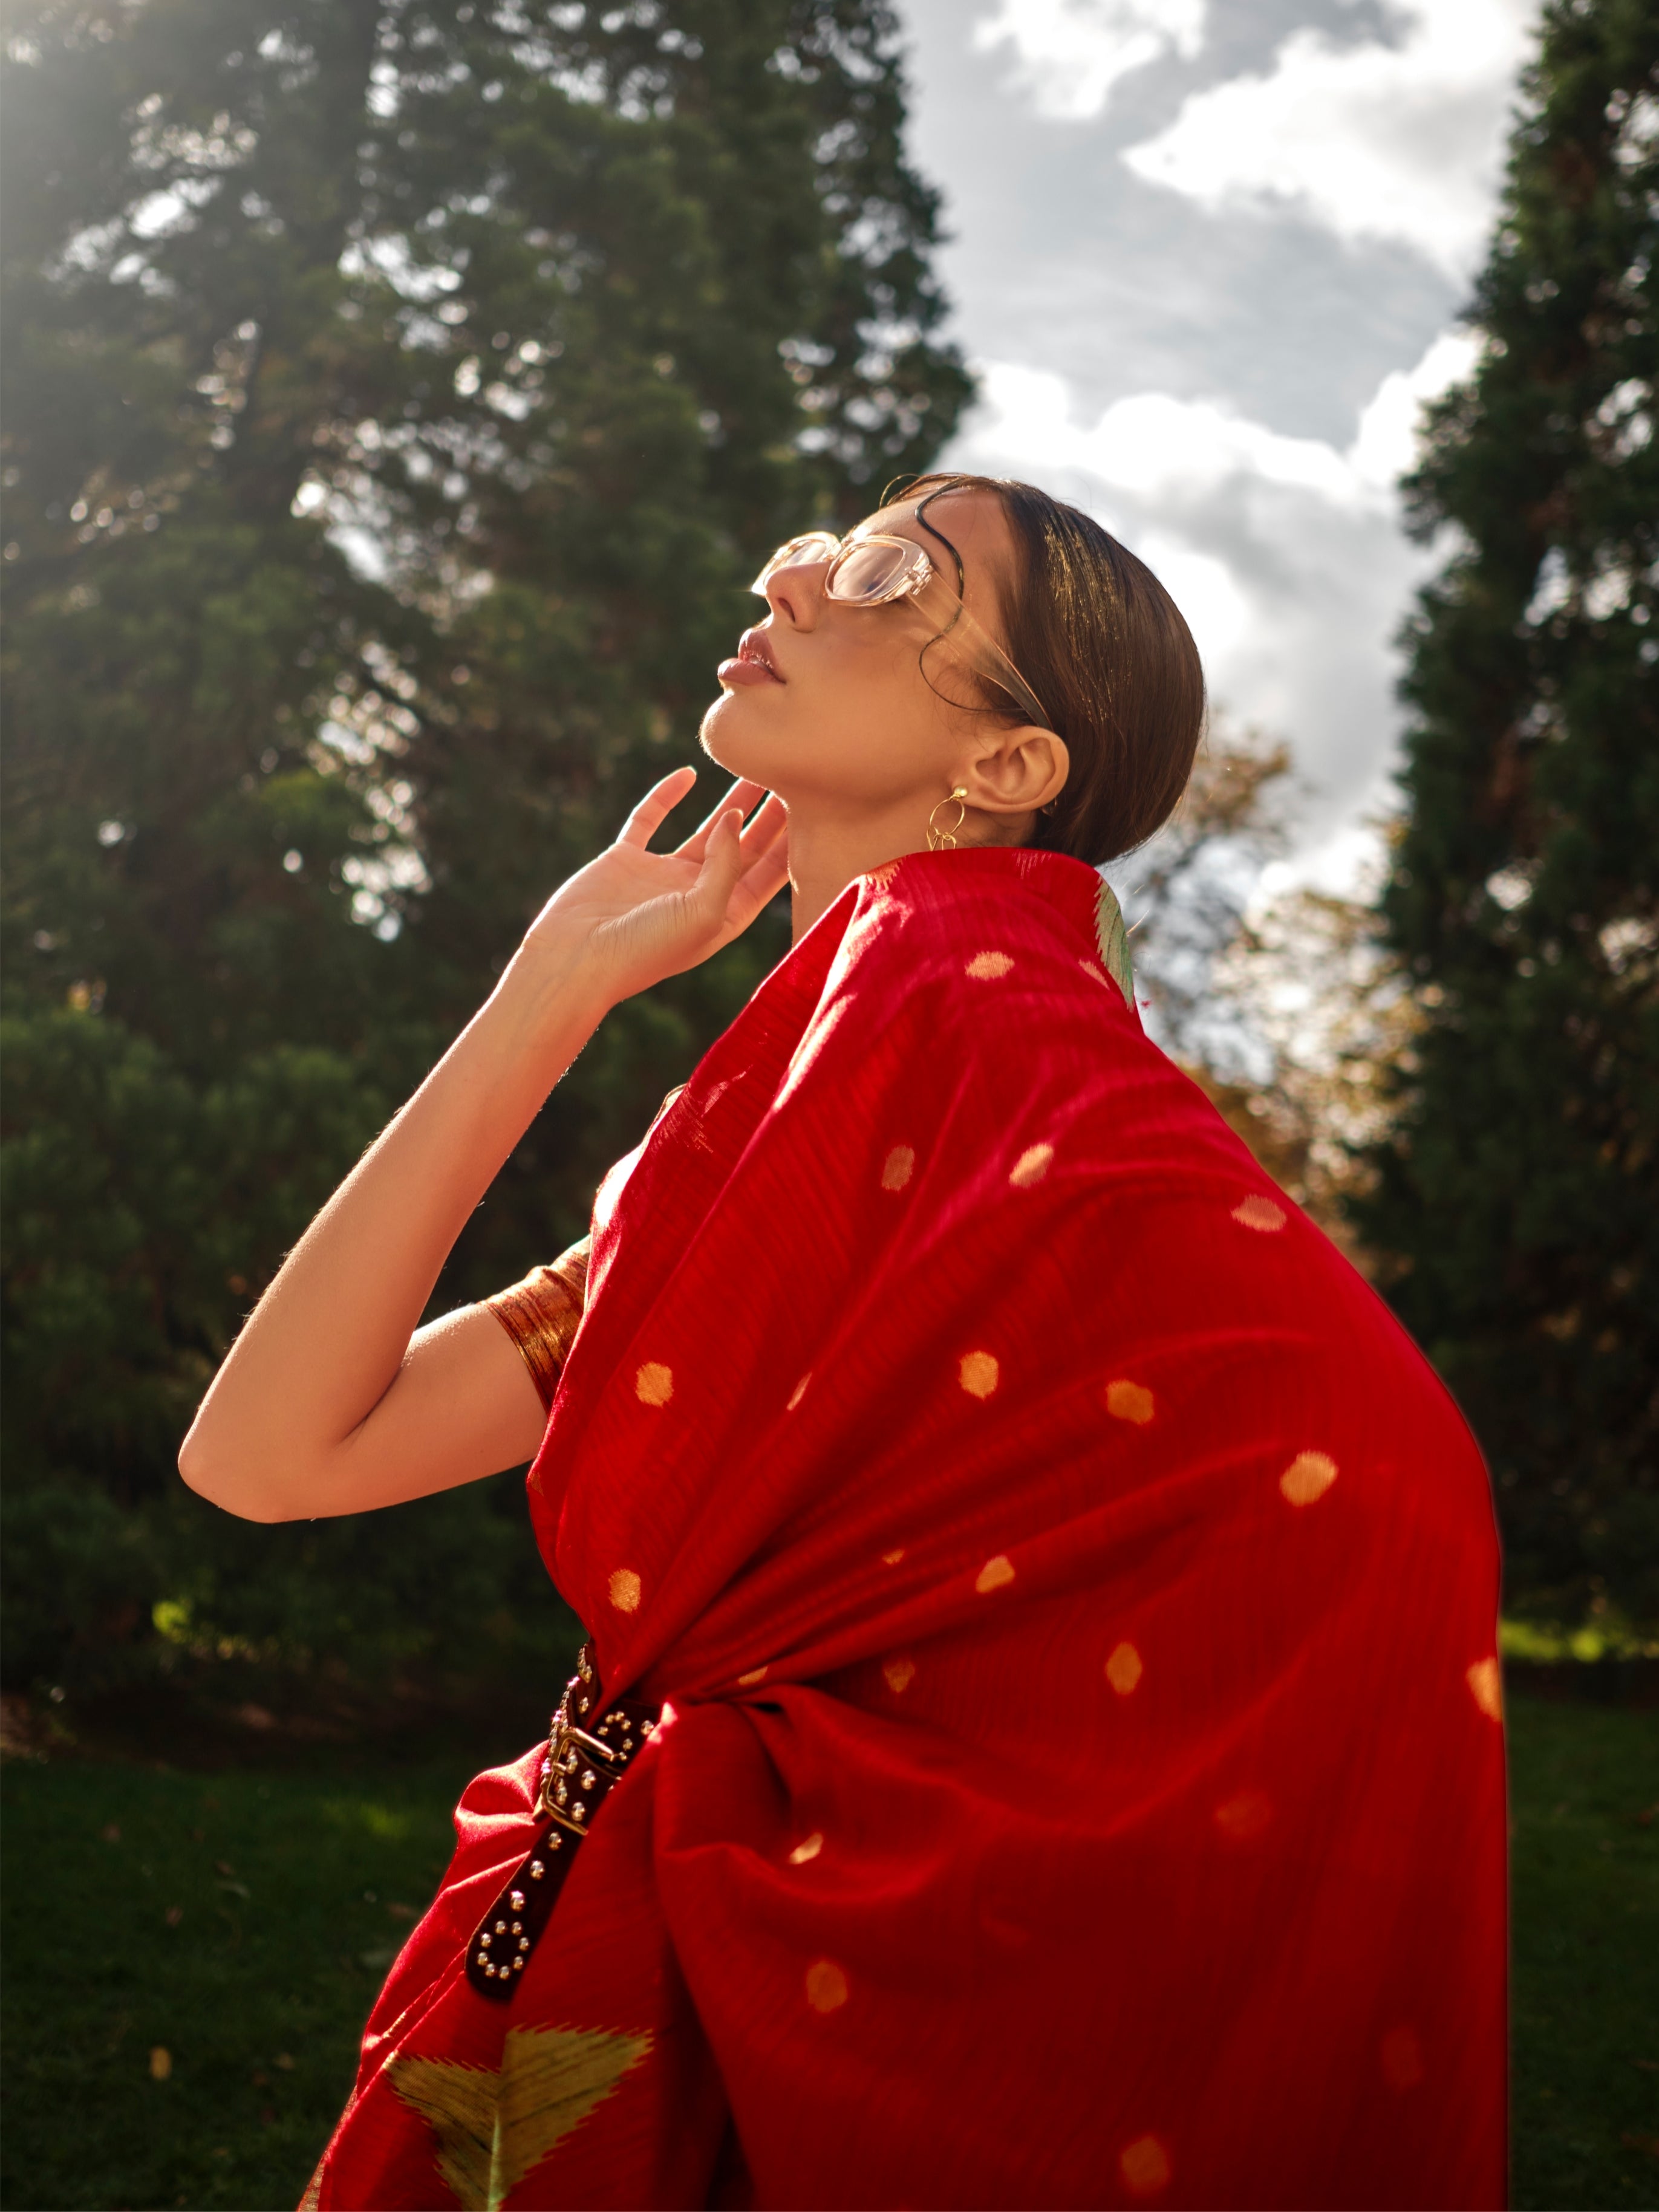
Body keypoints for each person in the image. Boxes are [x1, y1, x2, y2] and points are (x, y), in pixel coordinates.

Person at [180, 474, 1507, 2211]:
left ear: (1012, 767)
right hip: (636, 1944)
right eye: (819, 543)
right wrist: (548, 990)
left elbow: (1370, 1460)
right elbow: (269, 1453)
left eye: (896, 575)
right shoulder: (762, 1158)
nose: (797, 578)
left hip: (846, 1976)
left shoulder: (996, 1044)